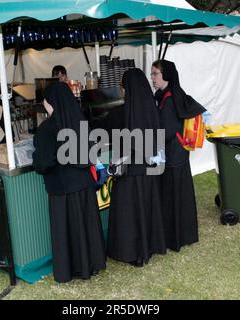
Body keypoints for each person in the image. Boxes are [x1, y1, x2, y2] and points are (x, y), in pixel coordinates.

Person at [32, 81, 106, 283]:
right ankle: (93, 263)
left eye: (45, 101)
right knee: (86, 227)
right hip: (84, 185)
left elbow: (43, 163)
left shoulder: (47, 129)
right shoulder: (80, 122)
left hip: (62, 189)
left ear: (51, 102)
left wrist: (36, 161)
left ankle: (71, 270)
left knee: (67, 231)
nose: (44, 104)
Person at [105, 68, 166, 267]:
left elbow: (97, 130)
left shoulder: (119, 114)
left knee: (128, 213)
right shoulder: (154, 110)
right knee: (147, 209)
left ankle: (131, 252)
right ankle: (151, 246)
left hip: (128, 171)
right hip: (149, 170)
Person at [151, 60, 207, 252]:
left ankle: (174, 238)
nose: (153, 78)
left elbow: (166, 131)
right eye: (152, 74)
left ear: (166, 75)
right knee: (180, 196)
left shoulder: (169, 98)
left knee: (173, 197)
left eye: (156, 74)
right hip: (178, 154)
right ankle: (184, 234)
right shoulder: (171, 94)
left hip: (173, 155)